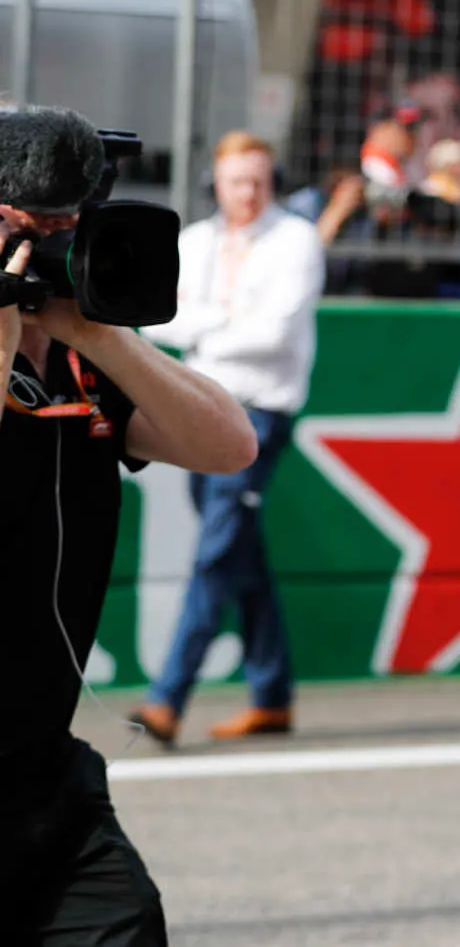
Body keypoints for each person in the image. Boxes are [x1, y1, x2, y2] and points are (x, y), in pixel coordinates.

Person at [0, 104, 257, 941]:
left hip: (45, 780)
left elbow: (228, 444)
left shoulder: (80, 356)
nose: (45, 248)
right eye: (26, 229)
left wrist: (97, 332)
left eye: (65, 228)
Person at [130, 131, 325, 745]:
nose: (249, 192)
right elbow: (162, 318)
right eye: (239, 180)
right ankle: (272, 696)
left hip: (259, 414)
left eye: (260, 180)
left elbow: (274, 334)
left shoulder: (295, 240)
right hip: (195, 410)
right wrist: (220, 325)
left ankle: (168, 699)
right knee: (240, 551)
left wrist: (201, 329)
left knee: (217, 551)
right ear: (217, 182)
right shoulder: (196, 241)